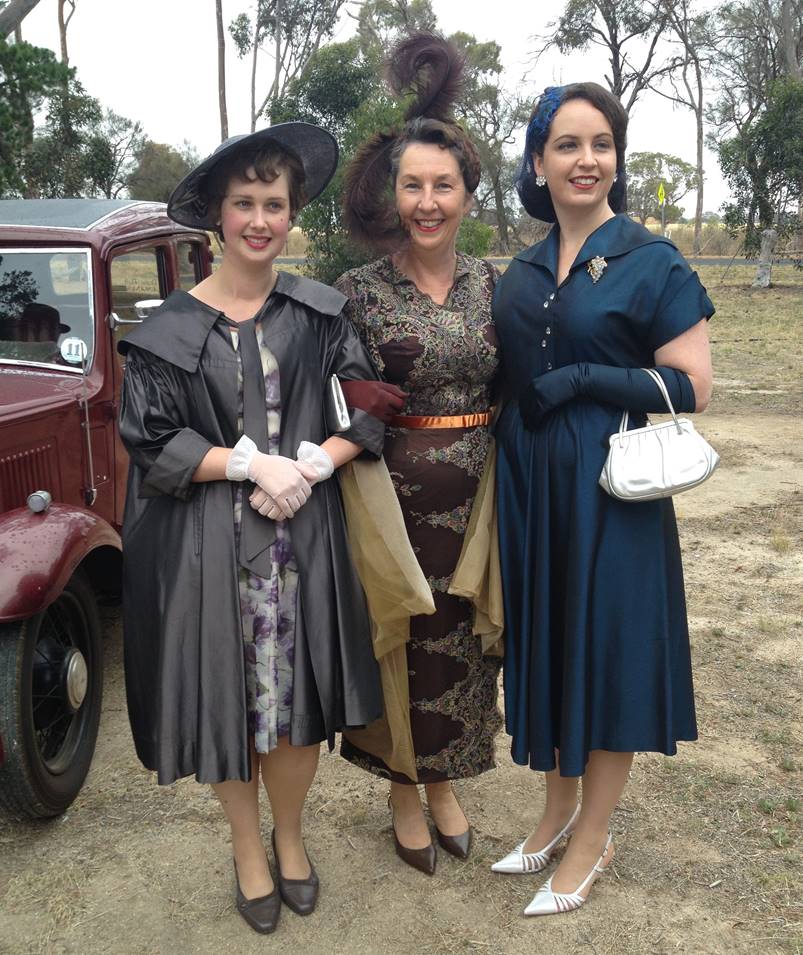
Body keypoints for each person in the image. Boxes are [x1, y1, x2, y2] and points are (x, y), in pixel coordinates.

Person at [117, 124, 385, 934]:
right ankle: (246, 845)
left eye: (275, 203)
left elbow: (369, 408)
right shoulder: (168, 327)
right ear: (216, 216)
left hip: (301, 544)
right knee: (228, 701)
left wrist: (308, 466)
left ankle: (292, 836)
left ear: (292, 213)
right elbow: (150, 437)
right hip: (204, 551)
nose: (260, 219)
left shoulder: (318, 312)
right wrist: (243, 465)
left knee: (293, 700)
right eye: (245, 204)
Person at [490, 83, 714, 916]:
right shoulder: (515, 269)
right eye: (567, 145)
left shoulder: (652, 260)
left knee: (607, 649)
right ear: (538, 160)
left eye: (601, 144)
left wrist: (585, 378)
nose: (586, 161)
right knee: (548, 644)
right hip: (528, 483)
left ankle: (593, 834)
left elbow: (693, 385)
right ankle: (553, 813)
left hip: (609, 485)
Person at [334, 33, 502, 875]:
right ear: (391, 194)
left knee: (463, 639)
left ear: (467, 194)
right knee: (402, 635)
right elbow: (329, 398)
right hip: (388, 501)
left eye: (444, 186)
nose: (428, 201)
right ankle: (404, 782)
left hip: (480, 502)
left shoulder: (491, 284)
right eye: (413, 186)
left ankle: (446, 783)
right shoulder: (358, 294)